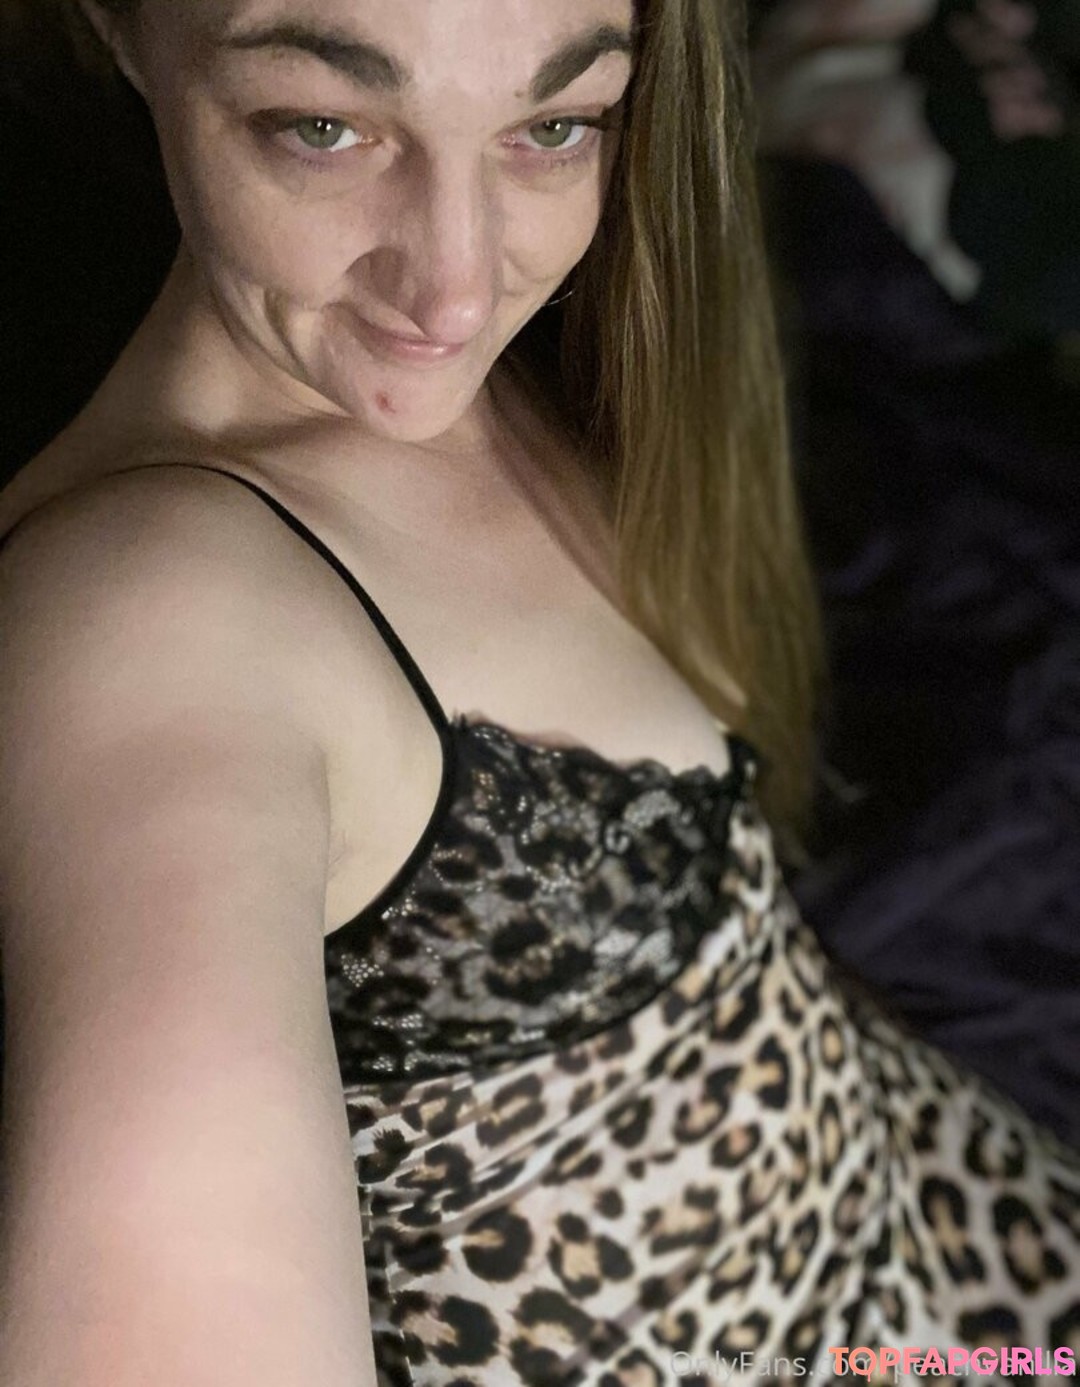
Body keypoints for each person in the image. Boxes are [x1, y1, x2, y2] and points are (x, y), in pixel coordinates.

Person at [0, 2, 1076, 1386]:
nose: (455, 289)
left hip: (948, 1242)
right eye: (324, 126)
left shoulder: (545, 360)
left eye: (553, 126)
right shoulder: (142, 624)